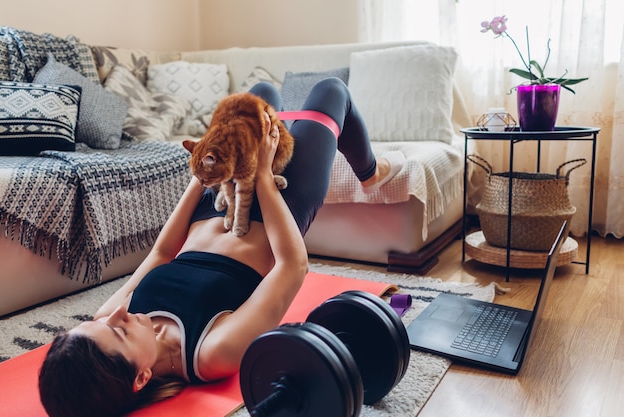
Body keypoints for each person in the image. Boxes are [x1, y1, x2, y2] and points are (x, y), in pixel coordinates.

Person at [37, 78, 405, 417]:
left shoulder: (110, 316)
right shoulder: (211, 352)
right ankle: (370, 173)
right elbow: (292, 267)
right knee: (331, 92)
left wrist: (198, 180)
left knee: (258, 96)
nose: (113, 316)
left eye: (93, 323)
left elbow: (162, 254)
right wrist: (260, 173)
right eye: (118, 332)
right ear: (141, 378)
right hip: (278, 209)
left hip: (216, 202)